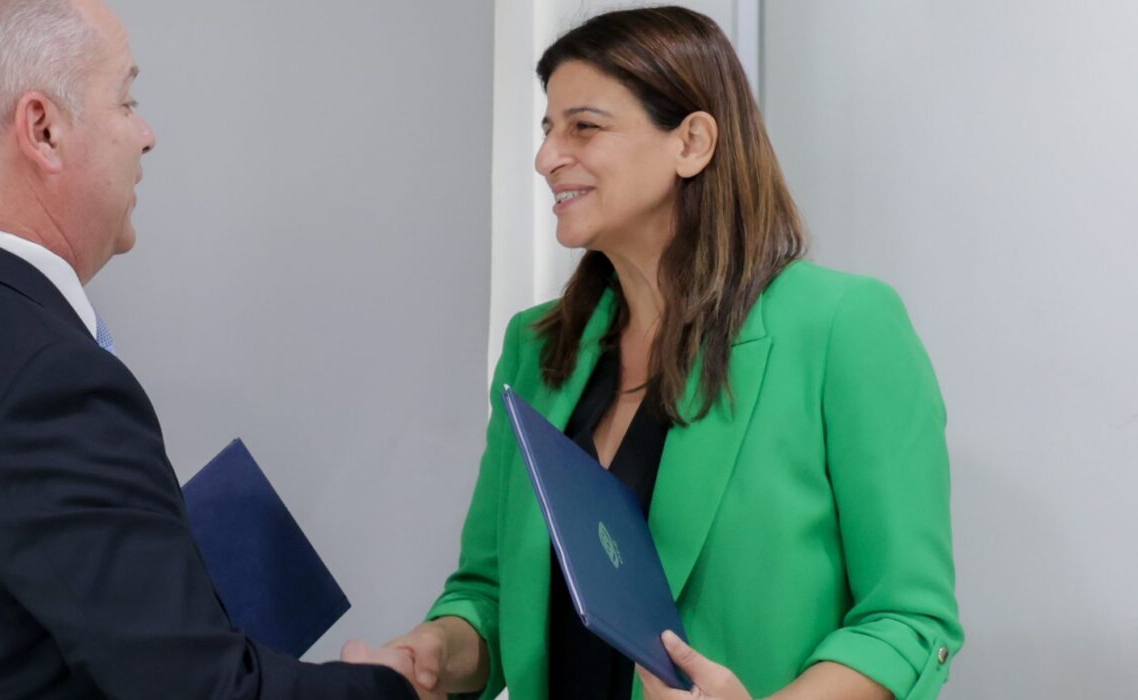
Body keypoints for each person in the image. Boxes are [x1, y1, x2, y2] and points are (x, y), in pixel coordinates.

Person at [0, 1, 420, 697]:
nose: (146, 135)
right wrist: (381, 687)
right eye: (126, 100)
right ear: (43, 130)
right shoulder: (51, 384)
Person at [353, 7, 963, 700]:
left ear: (692, 142)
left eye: (584, 127)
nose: (547, 157)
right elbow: (490, 595)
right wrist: (434, 650)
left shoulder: (843, 326)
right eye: (548, 129)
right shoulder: (534, 346)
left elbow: (907, 621)